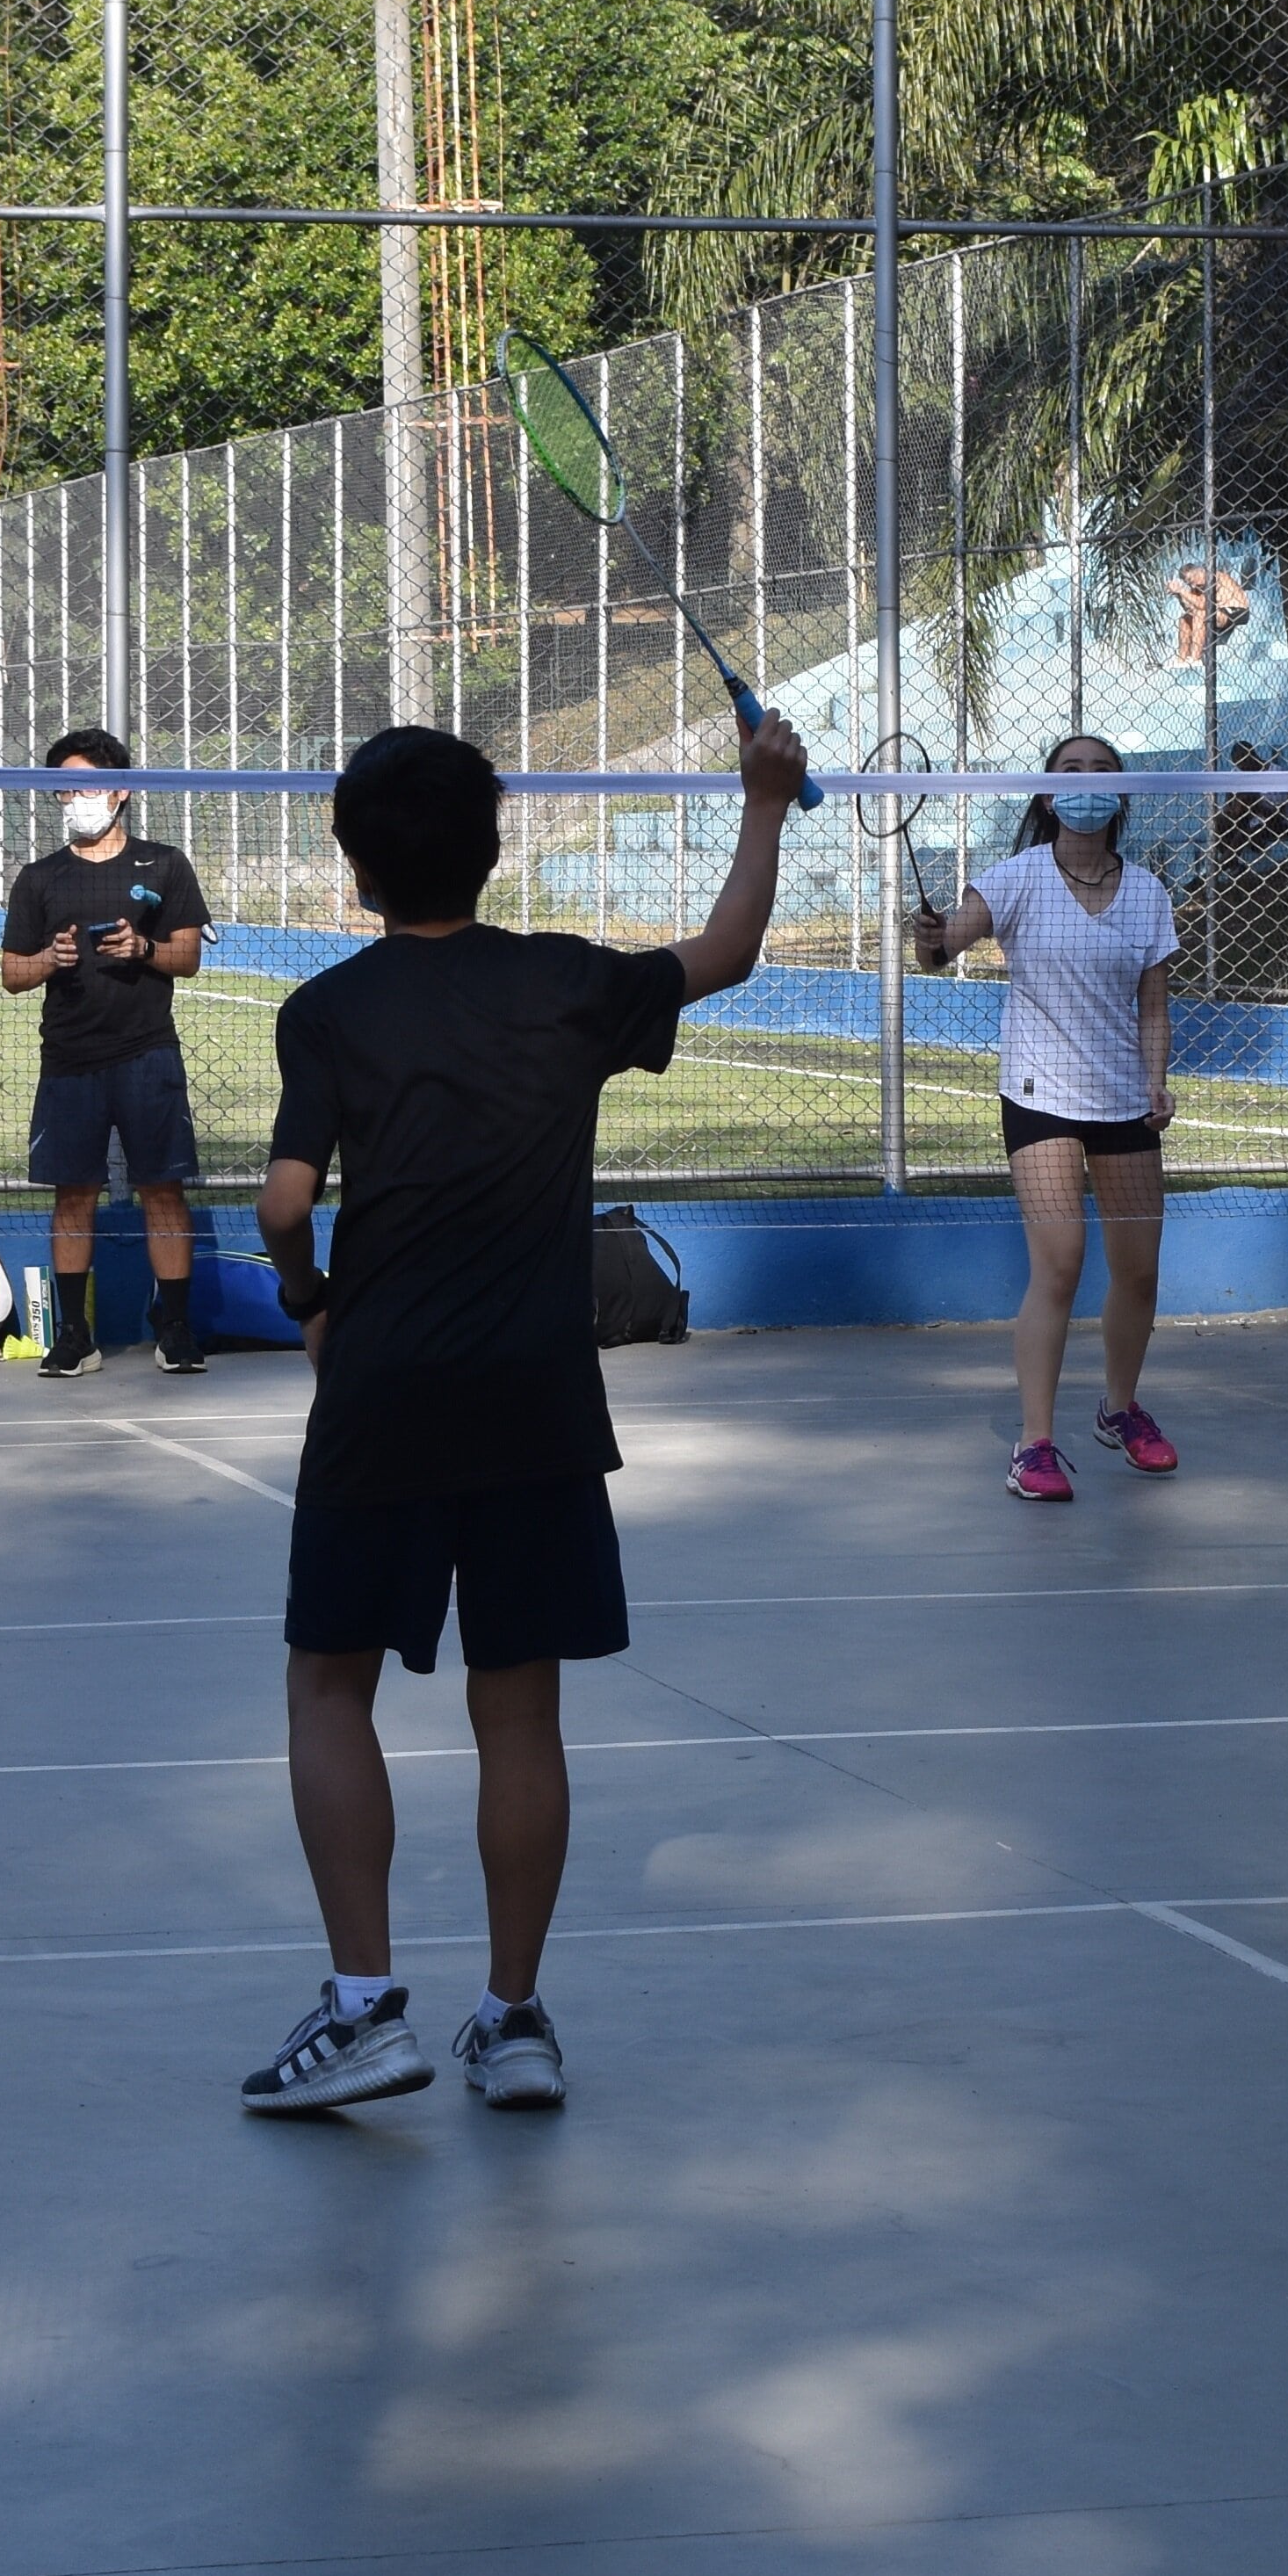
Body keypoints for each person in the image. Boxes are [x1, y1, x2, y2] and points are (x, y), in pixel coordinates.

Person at [239, 710, 807, 2118]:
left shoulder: (327, 1013)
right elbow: (725, 951)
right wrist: (765, 799)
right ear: (494, 852)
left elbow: (283, 1202)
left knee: (328, 1684)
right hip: (537, 1399)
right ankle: (516, 2017)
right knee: (522, 1715)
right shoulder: (566, 987)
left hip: (383, 1393)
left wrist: (310, 1301)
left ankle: (366, 2006)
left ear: (355, 868)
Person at [913, 733, 1183, 1501]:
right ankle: (1033, 1445)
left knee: (1138, 1273)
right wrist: (930, 937)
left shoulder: (1149, 894)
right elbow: (945, 945)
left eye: (1103, 771)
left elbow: (1153, 1006)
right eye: (1071, 771)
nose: (1087, 782)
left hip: (1124, 1102)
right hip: (1040, 1097)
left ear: (1121, 794)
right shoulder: (1019, 879)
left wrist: (1157, 1081)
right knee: (1059, 1265)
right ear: (1045, 792)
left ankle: (1121, 1411)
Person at [0, 727, 214, 1377]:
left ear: (120, 790)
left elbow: (191, 957)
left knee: (162, 1191)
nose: (76, 797)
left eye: (88, 783)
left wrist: (142, 949)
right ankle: (74, 1335)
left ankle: (173, 1327)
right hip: (69, 1060)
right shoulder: (40, 877)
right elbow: (11, 972)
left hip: (148, 1056)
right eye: (64, 786)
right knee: (74, 1195)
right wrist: (48, 959)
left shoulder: (164, 864)